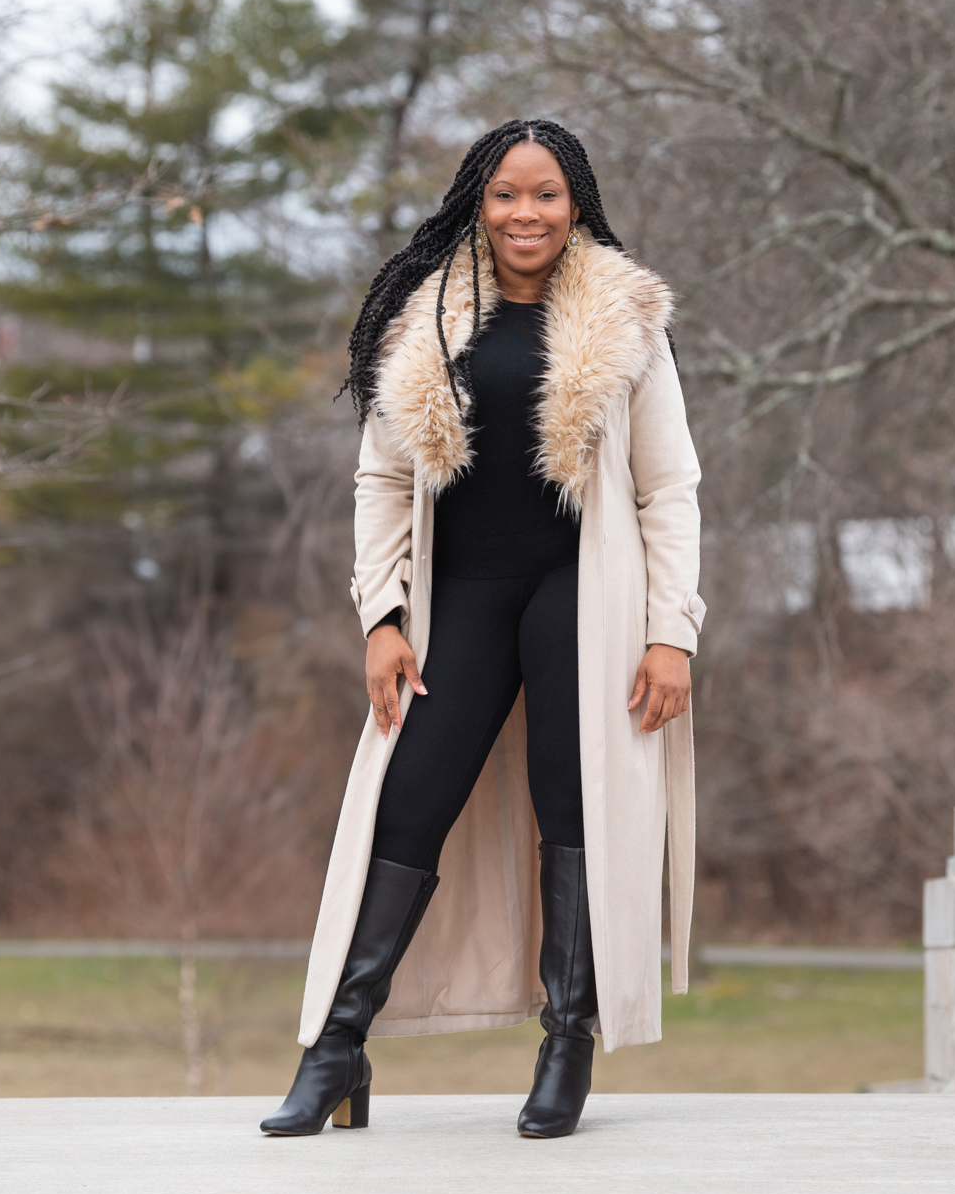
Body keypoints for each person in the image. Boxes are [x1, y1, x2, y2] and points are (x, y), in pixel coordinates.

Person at [261, 119, 703, 1140]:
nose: (524, 214)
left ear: (575, 203)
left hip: (579, 595)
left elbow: (668, 486)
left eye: (545, 195)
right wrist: (380, 615)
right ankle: (336, 1048)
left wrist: (669, 631)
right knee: (405, 802)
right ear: (477, 198)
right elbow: (378, 477)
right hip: (459, 593)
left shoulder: (626, 317)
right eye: (506, 194)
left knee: (573, 804)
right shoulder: (420, 317)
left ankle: (566, 1040)